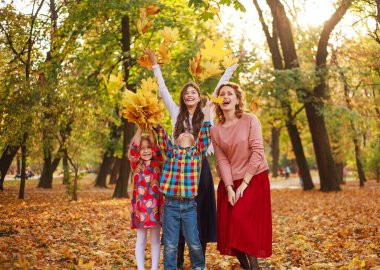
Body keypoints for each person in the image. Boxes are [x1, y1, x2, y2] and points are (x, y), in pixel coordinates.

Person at [146, 49, 242, 268]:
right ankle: (177, 260)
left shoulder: (207, 113)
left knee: (198, 217)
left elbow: (220, 85)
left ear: (199, 97)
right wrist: (155, 65)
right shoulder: (176, 112)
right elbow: (162, 90)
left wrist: (233, 64)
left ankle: (200, 260)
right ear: (183, 97)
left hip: (200, 171)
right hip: (177, 169)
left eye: (194, 92)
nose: (190, 94)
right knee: (175, 217)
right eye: (186, 92)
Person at [210, 82, 272, 270]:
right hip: (230, 182)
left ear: (237, 100)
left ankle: (254, 267)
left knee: (241, 221)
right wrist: (229, 188)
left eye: (230, 93)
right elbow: (222, 161)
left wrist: (244, 184)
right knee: (229, 227)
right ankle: (246, 265)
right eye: (222, 94)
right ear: (218, 101)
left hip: (254, 178)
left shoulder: (250, 120)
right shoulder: (216, 129)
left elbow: (258, 151)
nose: (226, 96)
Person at [153, 98, 213, 270]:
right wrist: (152, 114)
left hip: (189, 206)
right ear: (176, 140)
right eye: (182, 133)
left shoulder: (196, 154)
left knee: (194, 242)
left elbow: (206, 132)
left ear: (195, 142)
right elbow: (161, 131)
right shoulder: (171, 152)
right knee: (170, 244)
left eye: (190, 133)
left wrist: (208, 109)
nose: (186, 133)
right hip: (170, 204)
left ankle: (199, 267)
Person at [128, 126, 163, 270]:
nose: (146, 150)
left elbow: (156, 146)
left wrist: (149, 128)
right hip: (140, 208)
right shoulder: (135, 163)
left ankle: (154, 268)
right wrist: (140, 127)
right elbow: (133, 148)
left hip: (155, 208)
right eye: (143, 149)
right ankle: (141, 268)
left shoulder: (157, 162)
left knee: (155, 240)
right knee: (141, 240)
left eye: (148, 148)